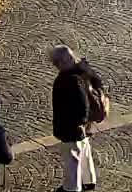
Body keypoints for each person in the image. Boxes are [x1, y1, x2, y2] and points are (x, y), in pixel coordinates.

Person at [51, 45, 105, 192]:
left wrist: (80, 121)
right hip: (83, 125)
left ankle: (71, 188)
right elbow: (98, 83)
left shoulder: (67, 80)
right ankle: (88, 180)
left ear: (61, 63)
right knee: (84, 150)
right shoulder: (82, 70)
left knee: (72, 158)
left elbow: (81, 106)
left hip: (71, 127)